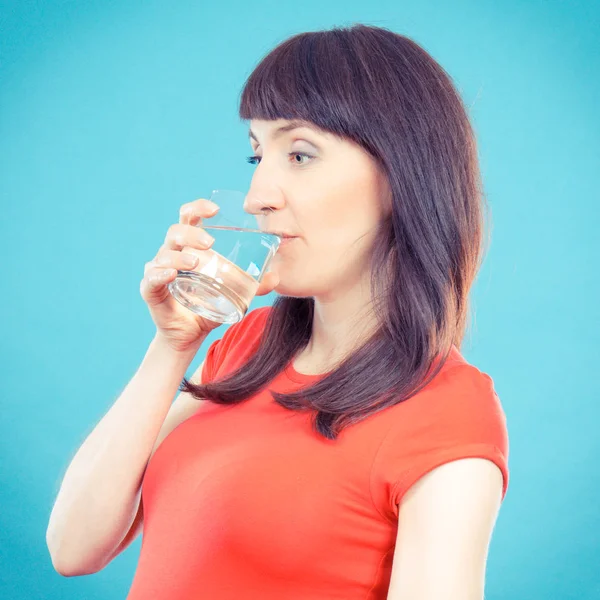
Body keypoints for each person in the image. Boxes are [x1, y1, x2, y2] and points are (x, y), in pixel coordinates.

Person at [47, 23, 509, 599]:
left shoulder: (448, 412)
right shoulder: (245, 349)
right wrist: (173, 346)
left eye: (299, 154)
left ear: (400, 175)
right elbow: (74, 546)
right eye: (257, 154)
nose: (257, 196)